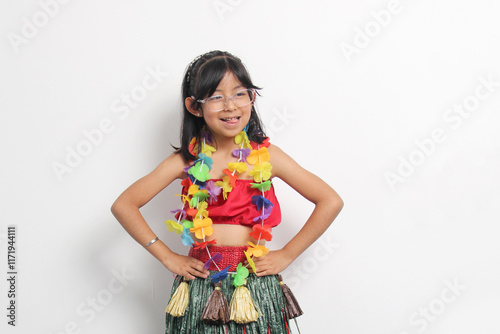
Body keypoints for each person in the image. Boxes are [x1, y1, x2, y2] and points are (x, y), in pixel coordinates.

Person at [111, 50, 344, 333]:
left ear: (252, 98)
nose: (230, 106)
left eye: (239, 93)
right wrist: (166, 256)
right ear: (195, 107)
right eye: (216, 97)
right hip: (201, 286)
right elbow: (124, 205)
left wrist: (287, 254)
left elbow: (330, 200)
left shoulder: (268, 157)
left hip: (254, 283)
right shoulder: (186, 161)